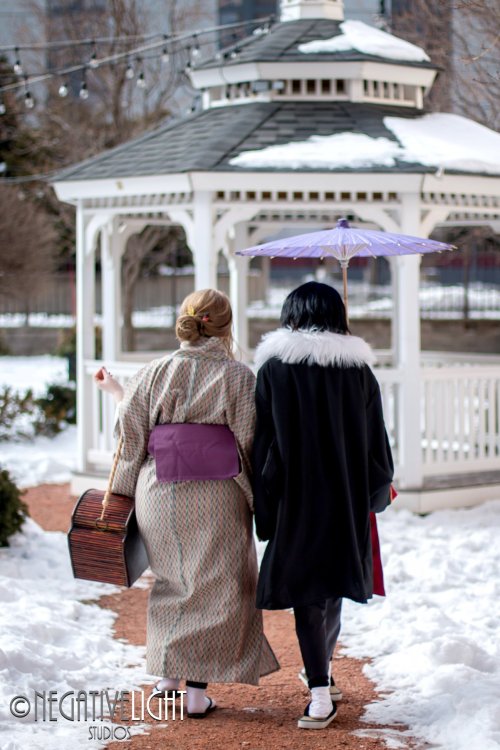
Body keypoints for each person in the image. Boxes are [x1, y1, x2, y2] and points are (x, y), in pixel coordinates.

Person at [95, 289, 279, 719]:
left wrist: (121, 495)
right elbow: (252, 442)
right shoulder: (238, 376)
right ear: (226, 326)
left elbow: (131, 440)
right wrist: (261, 498)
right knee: (218, 589)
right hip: (218, 494)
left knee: (171, 581)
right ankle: (196, 693)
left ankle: (166, 681)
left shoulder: (153, 372)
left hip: (158, 490)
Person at [252, 281, 393, 730]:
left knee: (307, 596)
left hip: (296, 495)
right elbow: (377, 445)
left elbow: (263, 445)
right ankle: (321, 680)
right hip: (346, 496)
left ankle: (319, 691)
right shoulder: (359, 373)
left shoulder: (273, 370)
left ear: (291, 314)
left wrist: (265, 503)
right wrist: (376, 489)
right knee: (331, 587)